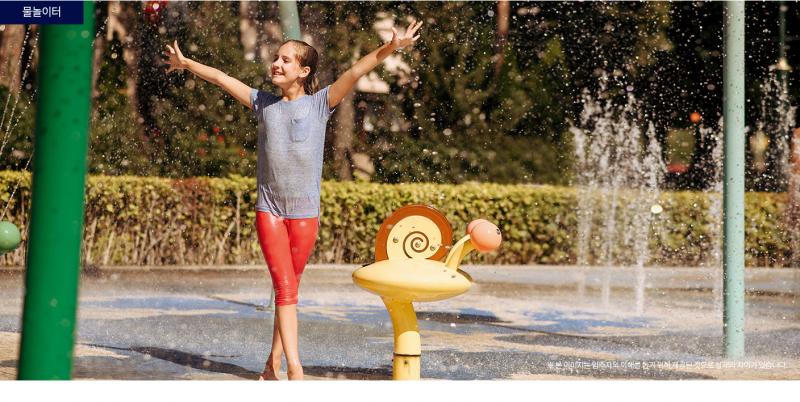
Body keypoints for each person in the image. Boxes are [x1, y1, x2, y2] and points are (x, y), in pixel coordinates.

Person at [163, 19, 423, 381]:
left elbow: (356, 71)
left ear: (304, 71)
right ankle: (295, 370)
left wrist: (392, 47)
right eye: (276, 58)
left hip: (305, 215)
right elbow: (222, 78)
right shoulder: (262, 103)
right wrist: (187, 63)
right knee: (285, 290)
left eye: (286, 60)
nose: (277, 64)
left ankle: (271, 365)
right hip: (269, 210)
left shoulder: (320, 104)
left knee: (288, 291)